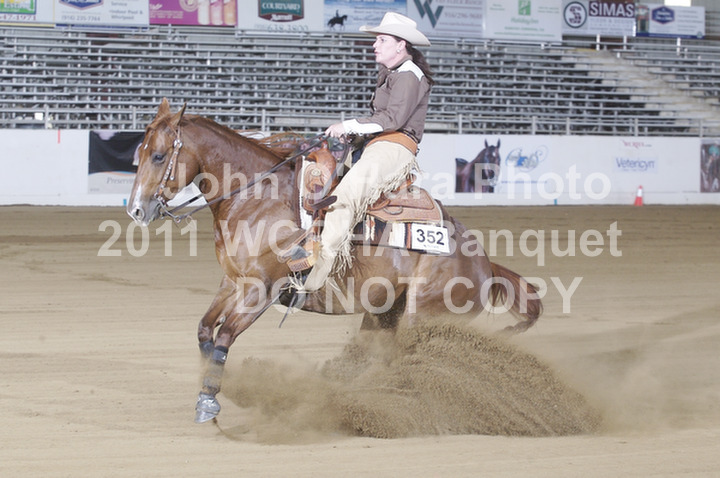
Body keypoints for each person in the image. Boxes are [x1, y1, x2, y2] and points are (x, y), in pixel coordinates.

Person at [296, 12, 434, 293]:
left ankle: (315, 276)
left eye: (382, 40)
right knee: (314, 172)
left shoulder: (409, 75)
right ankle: (307, 239)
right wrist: (356, 133)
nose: (375, 45)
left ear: (400, 45)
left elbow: (393, 119)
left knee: (343, 198)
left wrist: (349, 125)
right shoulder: (394, 72)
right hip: (376, 143)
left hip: (394, 147)